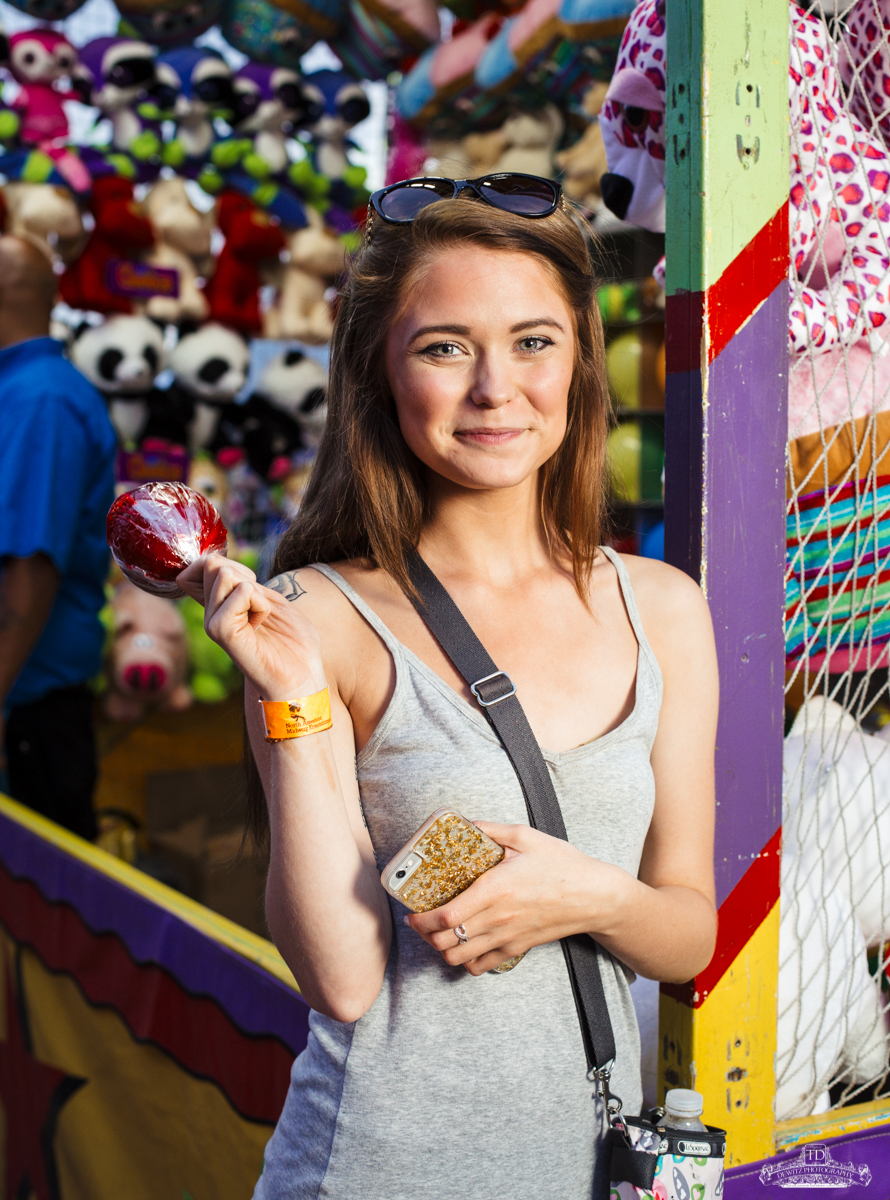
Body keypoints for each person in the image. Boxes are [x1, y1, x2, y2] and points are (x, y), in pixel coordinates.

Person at [181, 177, 719, 1199]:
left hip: (583, 1168)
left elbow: (685, 935)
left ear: (577, 361)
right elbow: (339, 978)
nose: (494, 389)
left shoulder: (664, 610)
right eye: (443, 347)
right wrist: (294, 700)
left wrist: (584, 893)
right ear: (381, 372)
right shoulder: (318, 617)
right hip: (377, 1170)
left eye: (531, 341)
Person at [0, 235, 116, 840]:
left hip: (27, 707)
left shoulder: (38, 398)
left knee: (36, 905)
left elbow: (32, 562)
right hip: (22, 699)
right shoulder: (26, 389)